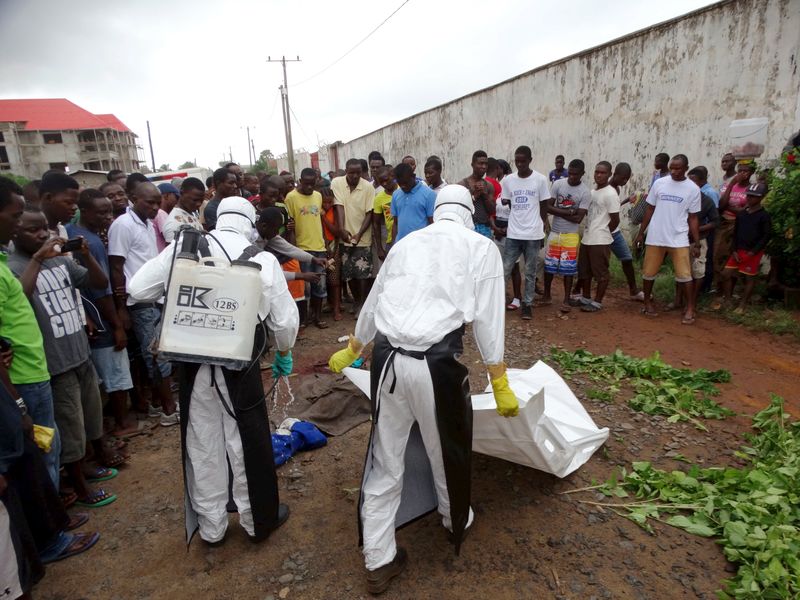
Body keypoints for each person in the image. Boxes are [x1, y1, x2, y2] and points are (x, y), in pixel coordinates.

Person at [327, 185, 517, 595]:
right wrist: (498, 379)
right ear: (468, 213)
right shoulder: (480, 248)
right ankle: (454, 520)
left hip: (388, 362)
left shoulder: (407, 243)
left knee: (385, 457)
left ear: (435, 211)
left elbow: (375, 302)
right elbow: (487, 320)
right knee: (445, 449)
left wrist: (355, 348)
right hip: (436, 367)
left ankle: (378, 558)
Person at [128, 197, 299, 545]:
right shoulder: (263, 260)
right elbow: (284, 324)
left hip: (192, 361)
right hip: (240, 364)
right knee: (244, 442)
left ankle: (212, 527)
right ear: (251, 224)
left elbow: (137, 288)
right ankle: (256, 523)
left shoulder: (184, 247)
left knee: (201, 440)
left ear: (214, 219)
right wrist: (283, 352)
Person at [9, 207, 119, 507]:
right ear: (15, 232)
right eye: (34, 230)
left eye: (45, 228)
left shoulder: (59, 262)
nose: (43, 235)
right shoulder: (15, 266)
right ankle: (80, 488)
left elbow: (96, 282)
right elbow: (19, 299)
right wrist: (37, 259)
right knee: (68, 427)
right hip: (54, 361)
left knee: (90, 414)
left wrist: (84, 254)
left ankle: (91, 464)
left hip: (79, 350)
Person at [0, 178, 63, 489]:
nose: (17, 225)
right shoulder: (8, 266)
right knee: (41, 449)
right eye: (15, 217)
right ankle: (53, 532)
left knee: (48, 441)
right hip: (21, 375)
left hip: (33, 368)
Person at [66, 190, 140, 438]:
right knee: (116, 375)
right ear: (84, 212)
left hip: (92, 316)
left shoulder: (79, 236)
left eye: (109, 211)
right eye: (101, 212)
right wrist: (117, 324)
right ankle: (121, 424)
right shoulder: (91, 243)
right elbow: (102, 289)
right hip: (102, 317)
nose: (108, 217)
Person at [108, 182, 178, 426]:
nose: (156, 207)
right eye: (150, 202)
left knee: (160, 350)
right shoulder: (122, 226)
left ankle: (161, 403)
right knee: (156, 355)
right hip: (138, 301)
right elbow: (116, 267)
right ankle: (169, 409)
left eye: (158, 202)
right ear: (133, 198)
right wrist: (121, 308)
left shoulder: (148, 223)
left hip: (155, 297)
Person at [635, 154, 701, 324]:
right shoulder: (659, 184)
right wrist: (641, 232)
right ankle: (647, 303)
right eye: (672, 167)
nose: (674, 171)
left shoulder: (692, 189)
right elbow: (650, 209)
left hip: (678, 237)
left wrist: (697, 242)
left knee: (685, 275)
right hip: (656, 236)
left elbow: (693, 218)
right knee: (649, 272)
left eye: (678, 168)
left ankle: (690, 308)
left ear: (686, 168)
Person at [500, 145, 551, 320]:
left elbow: (544, 205)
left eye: (523, 160)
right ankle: (497, 302)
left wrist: (541, 225)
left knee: (530, 271)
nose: (520, 164)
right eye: (517, 160)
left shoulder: (540, 180)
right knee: (505, 269)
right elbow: (509, 202)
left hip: (533, 234)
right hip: (514, 233)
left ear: (530, 160)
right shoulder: (508, 181)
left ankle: (527, 304)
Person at [668, 168, 719, 311]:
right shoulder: (682, 197)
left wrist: (697, 230)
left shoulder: (707, 200)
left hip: (699, 242)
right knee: (681, 271)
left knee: (697, 272)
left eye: (693, 181)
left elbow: (716, 222)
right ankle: (678, 301)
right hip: (681, 240)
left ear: (700, 183)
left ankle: (692, 303)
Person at [543, 159, 590, 311]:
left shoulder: (585, 192)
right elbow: (547, 207)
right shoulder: (558, 184)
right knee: (549, 266)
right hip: (555, 232)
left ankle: (566, 299)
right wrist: (569, 211)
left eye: (575, 174)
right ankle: (546, 295)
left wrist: (558, 210)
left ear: (582, 174)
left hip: (571, 235)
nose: (572, 177)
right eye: (570, 173)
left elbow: (578, 219)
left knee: (568, 269)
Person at [717, 183, 771, 313]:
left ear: (761, 197)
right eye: (748, 195)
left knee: (749, 278)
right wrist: (734, 250)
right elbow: (736, 233)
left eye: (754, 196)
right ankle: (728, 300)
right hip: (738, 250)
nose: (750, 198)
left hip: (753, 252)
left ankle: (742, 304)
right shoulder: (742, 215)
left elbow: (766, 236)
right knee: (726, 274)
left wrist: (753, 252)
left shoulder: (764, 216)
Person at [332, 159, 376, 317]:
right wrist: (342, 229)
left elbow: (369, 213)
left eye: (358, 172)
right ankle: (357, 301)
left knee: (362, 273)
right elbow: (339, 206)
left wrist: (359, 234)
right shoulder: (337, 183)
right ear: (346, 171)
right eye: (351, 172)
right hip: (345, 237)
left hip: (363, 237)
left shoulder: (368, 187)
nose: (355, 175)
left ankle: (362, 303)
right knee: (348, 273)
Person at [285, 168, 328, 328]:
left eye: (313, 184)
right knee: (304, 287)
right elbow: (290, 225)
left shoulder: (318, 195)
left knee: (320, 285)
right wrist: (294, 248)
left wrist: (325, 242)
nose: (310, 187)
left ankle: (317, 317)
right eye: (307, 184)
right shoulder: (291, 197)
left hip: (319, 247)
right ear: (300, 181)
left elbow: (319, 221)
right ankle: (303, 319)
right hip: (301, 249)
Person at [575, 162, 620, 313]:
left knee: (601, 272)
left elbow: (615, 220)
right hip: (587, 237)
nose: (599, 175)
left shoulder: (611, 193)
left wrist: (603, 231)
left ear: (609, 174)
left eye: (603, 173)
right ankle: (586, 297)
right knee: (585, 270)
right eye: (597, 172)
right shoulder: (592, 192)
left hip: (600, 239)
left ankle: (597, 302)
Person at [606, 163, 644, 300]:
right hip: (604, 231)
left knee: (627, 258)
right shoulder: (606, 188)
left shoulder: (616, 188)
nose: (625, 182)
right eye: (623, 178)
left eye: (627, 179)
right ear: (615, 174)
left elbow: (614, 207)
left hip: (614, 231)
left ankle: (634, 291)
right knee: (597, 262)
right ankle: (579, 289)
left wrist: (628, 200)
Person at [713, 161, 755, 289]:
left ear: (751, 173)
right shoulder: (731, 185)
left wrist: (728, 206)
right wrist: (731, 184)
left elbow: (745, 211)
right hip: (724, 224)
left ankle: (731, 288)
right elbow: (721, 205)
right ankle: (719, 287)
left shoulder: (751, 189)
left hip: (739, 225)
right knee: (717, 254)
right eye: (740, 171)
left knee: (734, 256)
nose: (742, 174)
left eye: (745, 171)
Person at [390, 163, 436, 243]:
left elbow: (432, 223)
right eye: (400, 184)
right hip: (401, 246)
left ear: (413, 177)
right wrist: (394, 245)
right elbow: (395, 223)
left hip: (421, 245)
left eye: (406, 183)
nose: (403, 186)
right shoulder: (396, 194)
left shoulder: (429, 194)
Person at [459, 151, 497, 239]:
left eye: (486, 164)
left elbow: (492, 210)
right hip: (468, 229)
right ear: (472, 164)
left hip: (485, 230)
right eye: (480, 163)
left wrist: (485, 195)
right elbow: (460, 209)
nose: (483, 167)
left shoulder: (489, 185)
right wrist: (474, 195)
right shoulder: (462, 185)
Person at [162, 177, 206, 243]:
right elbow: (173, 252)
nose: (199, 204)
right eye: (195, 200)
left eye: (201, 200)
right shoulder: (173, 224)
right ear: (182, 193)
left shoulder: (190, 214)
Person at [372, 166, 396, 261]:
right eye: (381, 182)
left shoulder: (402, 190)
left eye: (386, 180)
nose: (384, 184)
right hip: (391, 240)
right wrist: (379, 248)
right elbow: (376, 223)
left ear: (392, 176)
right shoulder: (379, 198)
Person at [154, 183, 180, 251]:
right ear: (166, 196)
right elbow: (172, 238)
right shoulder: (160, 213)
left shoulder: (158, 213)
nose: (177, 201)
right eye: (176, 197)